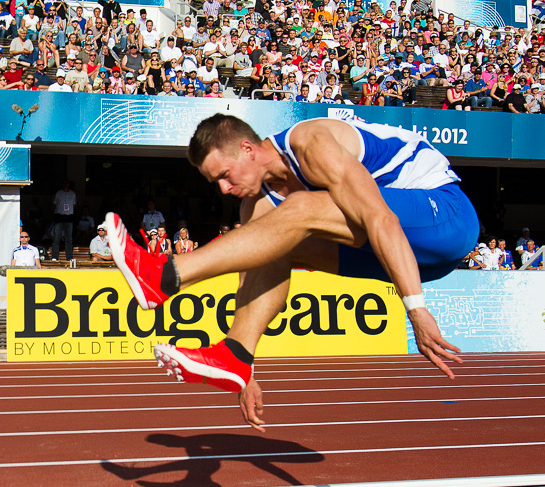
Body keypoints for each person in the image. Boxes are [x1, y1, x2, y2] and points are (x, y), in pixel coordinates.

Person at [105, 113, 479, 432]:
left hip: (445, 218)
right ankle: (233, 355)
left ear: (248, 150)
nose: (223, 188)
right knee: (272, 242)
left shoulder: (310, 143)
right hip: (400, 254)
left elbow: (379, 217)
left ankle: (163, 276)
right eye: (214, 182)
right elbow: (254, 286)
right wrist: (245, 371)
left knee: (301, 208)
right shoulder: (257, 205)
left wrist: (415, 308)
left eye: (225, 174)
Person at [51, 179, 76, 261]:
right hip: (59, 216)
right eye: (64, 183)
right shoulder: (58, 193)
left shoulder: (72, 194)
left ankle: (69, 257)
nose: (66, 185)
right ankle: (55, 257)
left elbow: (74, 205)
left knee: (69, 238)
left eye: (67, 183)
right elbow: (54, 205)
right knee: (57, 237)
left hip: (69, 216)